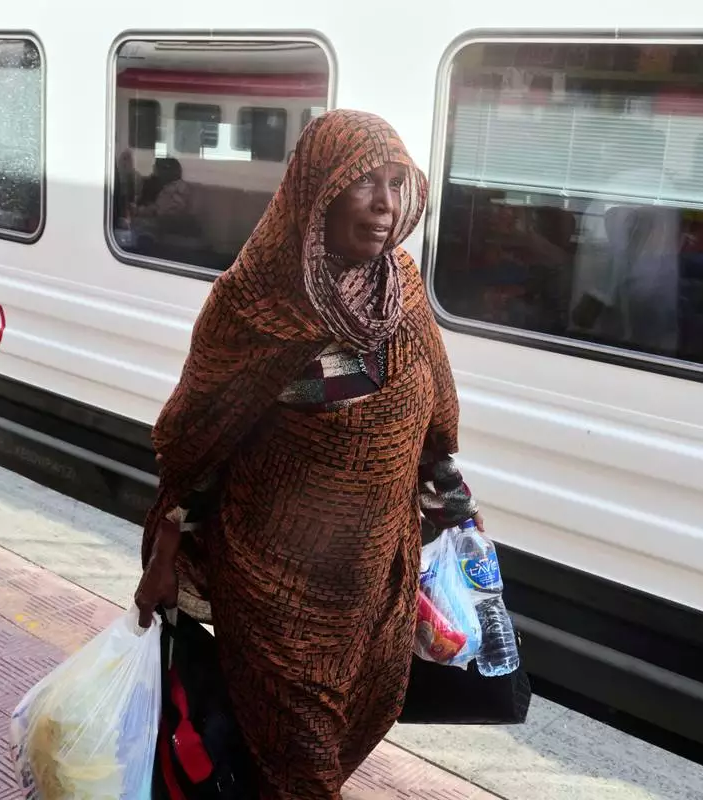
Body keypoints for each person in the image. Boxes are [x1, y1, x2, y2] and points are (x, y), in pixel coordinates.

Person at [133, 109, 483, 799]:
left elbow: (436, 412)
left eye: (396, 183)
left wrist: (457, 506)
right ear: (317, 193)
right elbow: (197, 441)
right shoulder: (253, 304)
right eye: (364, 184)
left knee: (347, 725)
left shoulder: (402, 288)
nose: (385, 205)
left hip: (372, 588)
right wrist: (166, 556)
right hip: (273, 593)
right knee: (304, 769)